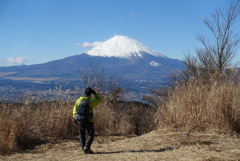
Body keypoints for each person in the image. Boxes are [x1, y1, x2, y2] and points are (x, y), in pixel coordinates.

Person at [73, 87, 102, 154]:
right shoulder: (91, 101)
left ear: (84, 93)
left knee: (82, 135)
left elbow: (74, 110)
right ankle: (87, 146)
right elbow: (99, 99)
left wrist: (75, 117)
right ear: (90, 94)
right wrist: (95, 94)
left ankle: (84, 150)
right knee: (91, 134)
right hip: (89, 120)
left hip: (80, 120)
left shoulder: (79, 100)